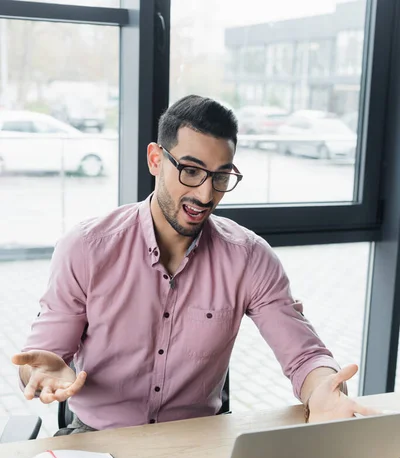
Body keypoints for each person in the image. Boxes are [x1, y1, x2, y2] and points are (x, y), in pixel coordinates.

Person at [12, 95, 377, 435]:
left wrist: (324, 389)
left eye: (221, 176)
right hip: (99, 438)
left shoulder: (249, 257)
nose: (206, 194)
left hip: (199, 443)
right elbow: (40, 359)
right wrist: (40, 371)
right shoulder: (87, 248)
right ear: (156, 159)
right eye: (191, 170)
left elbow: (304, 356)